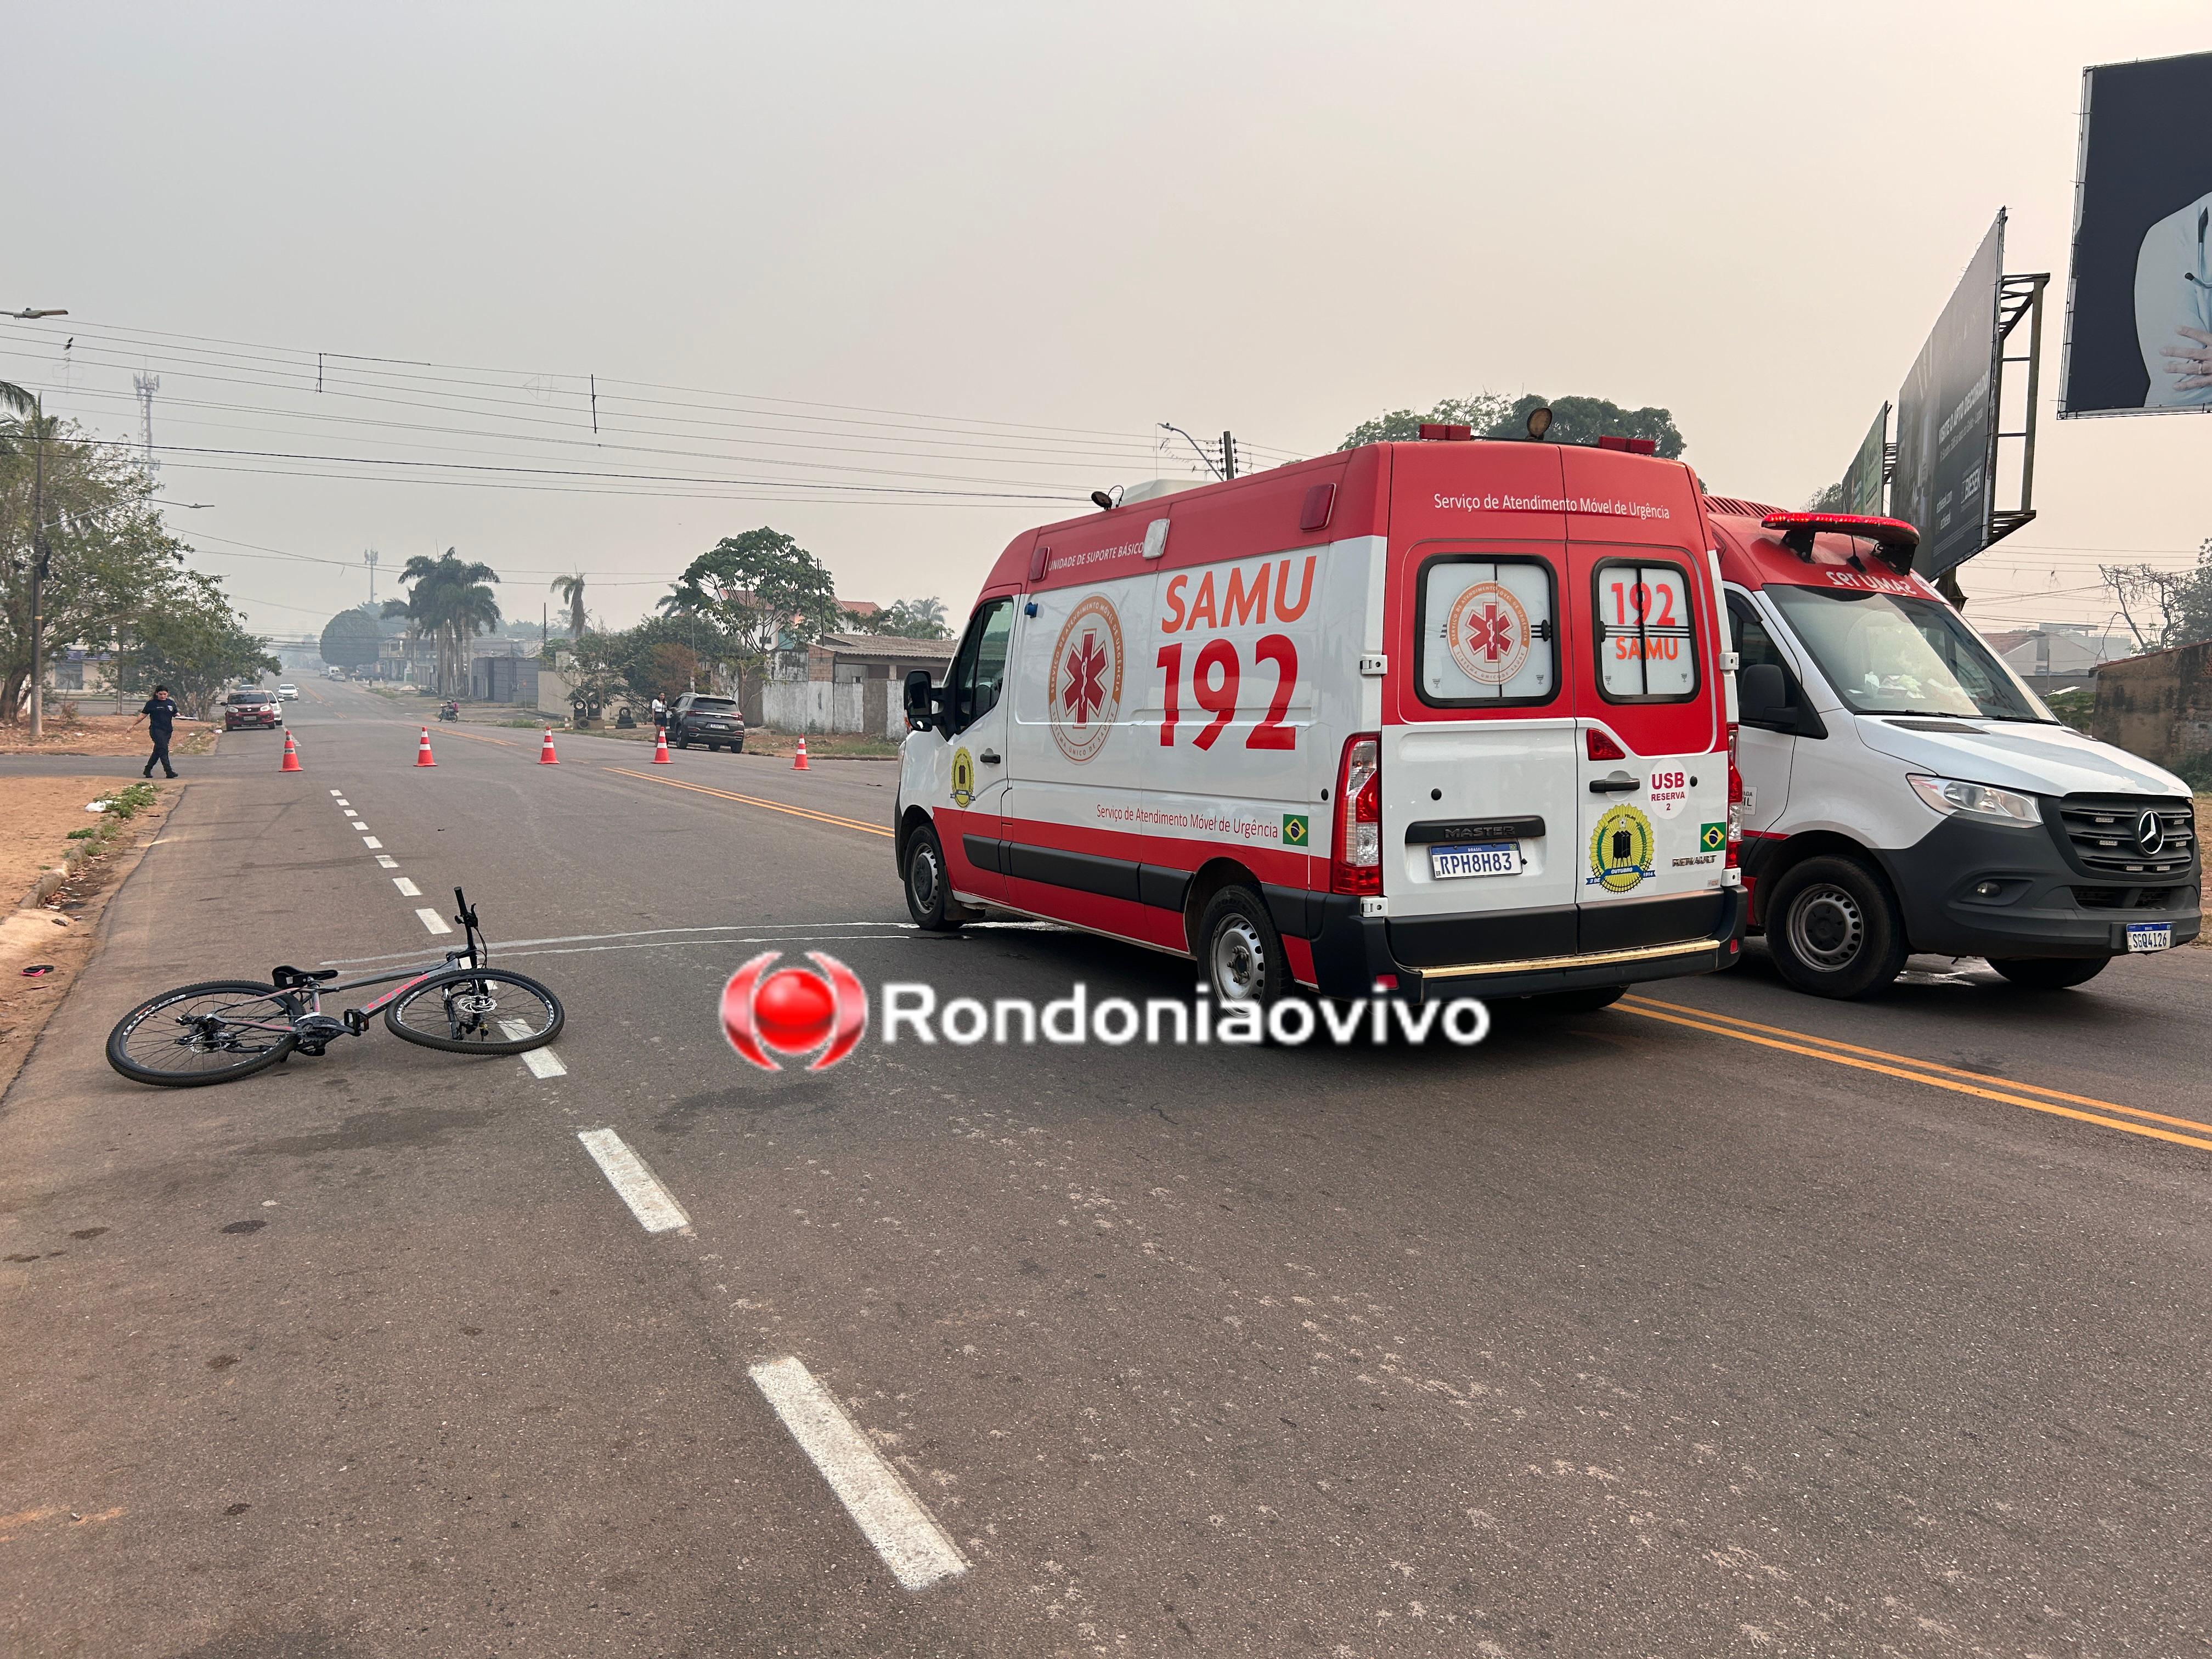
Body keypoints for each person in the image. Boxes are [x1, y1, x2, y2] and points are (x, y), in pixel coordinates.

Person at [132, 685, 179, 779]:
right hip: (156, 730)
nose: (163, 696)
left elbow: (176, 714)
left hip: (167, 731)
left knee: (158, 751)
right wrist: (133, 725)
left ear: (167, 694)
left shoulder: (171, 703)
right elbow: (142, 716)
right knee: (163, 749)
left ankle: (148, 769)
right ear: (156, 694)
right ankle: (169, 771)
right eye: (160, 694)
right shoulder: (152, 704)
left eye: (165, 694)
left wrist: (182, 717)